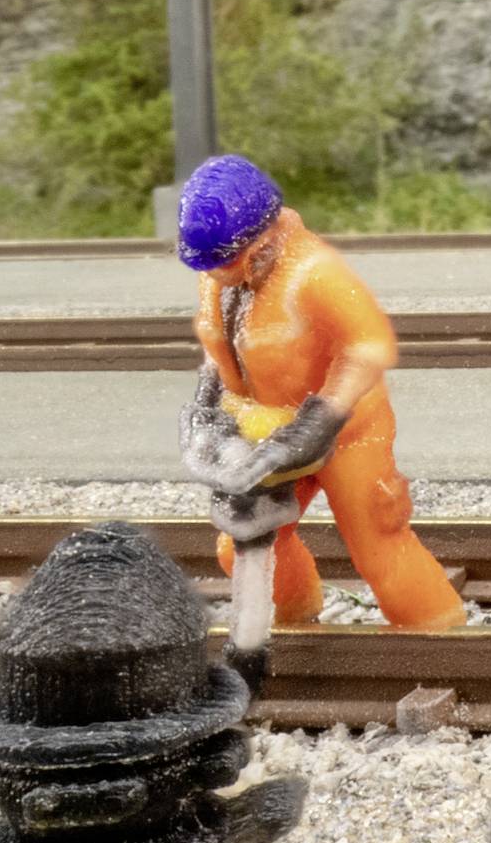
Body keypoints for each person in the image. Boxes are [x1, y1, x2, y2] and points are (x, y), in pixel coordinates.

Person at [174, 154, 465, 632]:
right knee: (242, 544)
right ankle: (298, 625)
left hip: (348, 430)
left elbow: (370, 346)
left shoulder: (315, 273)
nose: (211, 273)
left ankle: (439, 637)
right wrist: (208, 399)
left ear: (260, 244)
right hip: (267, 434)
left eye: (223, 262)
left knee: (378, 544)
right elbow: (219, 344)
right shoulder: (220, 275)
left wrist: (319, 421)